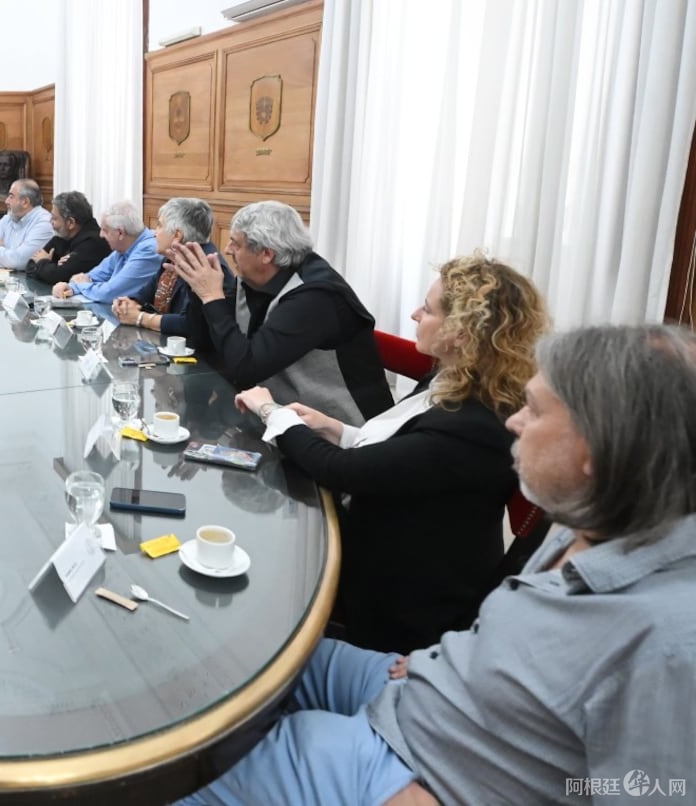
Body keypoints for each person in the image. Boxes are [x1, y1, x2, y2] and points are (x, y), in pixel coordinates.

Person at [177, 324, 696, 806]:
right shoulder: (595, 519)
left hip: (415, 765)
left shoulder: (670, 641)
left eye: (534, 412)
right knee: (245, 655)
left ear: (597, 450)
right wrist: (453, 659)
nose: (513, 422)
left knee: (187, 776)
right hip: (420, 686)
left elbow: (652, 786)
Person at [235, 255, 549, 652]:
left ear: (462, 333)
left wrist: (271, 411)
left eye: (429, 309)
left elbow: (341, 471)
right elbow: (404, 452)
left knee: (261, 573)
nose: (415, 314)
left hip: (402, 601)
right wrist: (333, 427)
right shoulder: (459, 377)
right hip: (396, 545)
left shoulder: (475, 423)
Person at [171, 200, 392, 424]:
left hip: (343, 430)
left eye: (236, 244)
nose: (227, 250)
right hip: (279, 415)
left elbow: (245, 369)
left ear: (266, 254)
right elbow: (207, 345)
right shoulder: (258, 281)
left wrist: (211, 296)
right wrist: (197, 289)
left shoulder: (315, 296)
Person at [111, 197, 232, 339]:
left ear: (177, 235)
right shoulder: (172, 257)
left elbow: (190, 325)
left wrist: (139, 318)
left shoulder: (208, 268)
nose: (154, 232)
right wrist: (127, 303)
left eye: (159, 225)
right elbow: (146, 293)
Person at [51, 201, 163, 304]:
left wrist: (82, 285)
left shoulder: (148, 250)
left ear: (120, 233)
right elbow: (92, 276)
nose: (101, 235)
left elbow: (110, 293)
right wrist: (70, 287)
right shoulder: (123, 248)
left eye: (105, 230)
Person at [25, 190, 111, 284]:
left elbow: (59, 277)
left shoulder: (93, 243)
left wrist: (43, 261)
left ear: (70, 223)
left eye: (54, 218)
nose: (50, 222)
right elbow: (30, 265)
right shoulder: (61, 237)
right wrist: (52, 266)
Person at [0, 178, 53, 269]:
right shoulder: (8, 218)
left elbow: (19, 261)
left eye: (11, 196)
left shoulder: (44, 223)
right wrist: (10, 265)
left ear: (25, 202)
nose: (6, 201)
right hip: (4, 278)